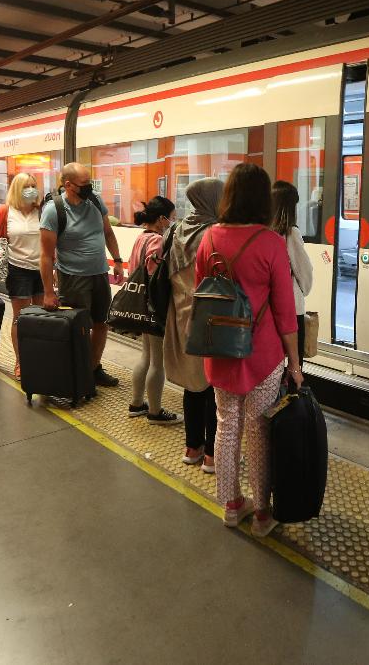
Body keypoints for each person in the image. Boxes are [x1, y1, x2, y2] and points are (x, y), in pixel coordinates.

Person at [195, 163, 301, 537]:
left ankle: (230, 504)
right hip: (262, 354)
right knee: (258, 430)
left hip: (220, 348)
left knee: (226, 427)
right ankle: (260, 513)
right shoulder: (271, 242)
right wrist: (296, 363)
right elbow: (285, 312)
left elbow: (201, 293)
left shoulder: (208, 239)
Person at [39, 162, 125, 388]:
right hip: (73, 278)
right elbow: (46, 256)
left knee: (101, 323)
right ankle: (76, 372)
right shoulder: (54, 210)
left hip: (99, 274)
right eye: (85, 184)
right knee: (78, 328)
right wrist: (48, 292)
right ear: (68, 185)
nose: (90, 188)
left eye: (90, 182)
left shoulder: (95, 200)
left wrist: (117, 260)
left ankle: (93, 368)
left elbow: (108, 231)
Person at [165, 178, 223, 474]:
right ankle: (213, 455)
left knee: (192, 385)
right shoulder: (215, 232)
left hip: (180, 314)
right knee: (214, 385)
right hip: (210, 316)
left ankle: (192, 447)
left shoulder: (178, 229)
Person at [0, 173, 45, 379]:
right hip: (18, 270)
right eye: (27, 186)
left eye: (34, 185)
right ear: (17, 189)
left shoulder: (41, 211)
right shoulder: (5, 212)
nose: (32, 189)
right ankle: (21, 361)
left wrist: (55, 268)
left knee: (40, 317)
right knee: (21, 318)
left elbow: (52, 241)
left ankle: (40, 356)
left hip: (41, 270)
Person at [126, 196, 181, 425]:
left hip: (139, 304)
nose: (173, 222)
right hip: (153, 307)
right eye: (172, 217)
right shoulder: (158, 241)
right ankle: (155, 412)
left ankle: (137, 404)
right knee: (157, 361)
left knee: (145, 355)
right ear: (162, 219)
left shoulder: (141, 238)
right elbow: (155, 277)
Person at [271, 181, 314, 366]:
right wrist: (305, 289)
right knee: (295, 364)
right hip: (292, 309)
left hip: (269, 308)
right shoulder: (290, 233)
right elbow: (304, 271)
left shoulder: (264, 231)